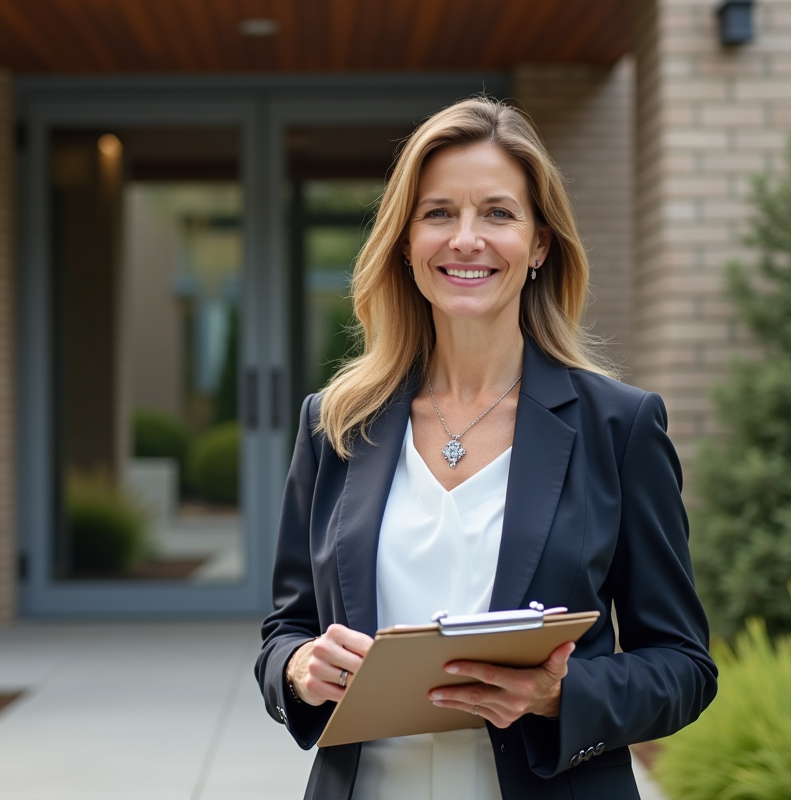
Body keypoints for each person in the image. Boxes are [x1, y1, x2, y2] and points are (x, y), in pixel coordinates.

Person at [255, 97, 717, 800]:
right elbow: (285, 631)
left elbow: (684, 666)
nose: (466, 239)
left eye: (498, 213)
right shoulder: (337, 424)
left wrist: (559, 695)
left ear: (539, 245)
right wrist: (298, 669)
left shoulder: (619, 427)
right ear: (405, 241)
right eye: (439, 213)